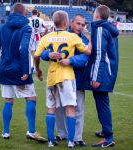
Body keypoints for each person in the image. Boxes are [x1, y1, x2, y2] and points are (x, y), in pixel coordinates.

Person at [0, 3, 47, 142]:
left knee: (8, 100)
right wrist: (26, 70)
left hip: (5, 69)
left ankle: (5, 132)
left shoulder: (2, 27)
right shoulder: (27, 28)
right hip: (20, 70)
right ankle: (31, 131)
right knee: (31, 98)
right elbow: (24, 49)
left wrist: (2, 59)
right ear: (24, 14)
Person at [34, 10, 91, 148]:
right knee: (62, 108)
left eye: (83, 24)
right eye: (78, 23)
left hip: (72, 77)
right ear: (69, 22)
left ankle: (76, 137)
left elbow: (84, 58)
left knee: (74, 108)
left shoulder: (49, 37)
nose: (81, 26)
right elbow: (88, 52)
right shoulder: (73, 37)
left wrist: (70, 60)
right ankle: (63, 135)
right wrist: (48, 54)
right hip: (66, 77)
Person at [82, 5, 119, 147]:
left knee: (102, 104)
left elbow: (99, 54)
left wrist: (96, 77)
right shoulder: (108, 28)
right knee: (103, 102)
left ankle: (108, 138)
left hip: (102, 73)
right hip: (108, 71)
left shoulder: (100, 28)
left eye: (94, 13)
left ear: (97, 15)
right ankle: (105, 131)